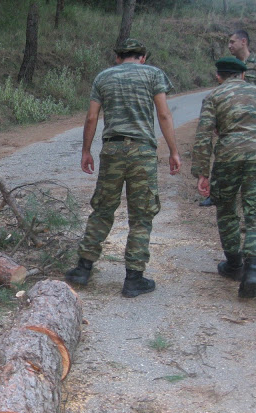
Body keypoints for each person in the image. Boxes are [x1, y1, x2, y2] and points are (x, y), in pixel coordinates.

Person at [65, 39, 181, 297]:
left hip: (112, 150)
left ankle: (83, 268)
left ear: (118, 58)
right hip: (142, 152)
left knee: (103, 208)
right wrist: (173, 151)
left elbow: (92, 117)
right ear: (143, 57)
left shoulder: (103, 77)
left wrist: (86, 151)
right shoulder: (153, 74)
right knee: (141, 215)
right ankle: (134, 278)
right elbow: (163, 115)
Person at [191, 57, 256, 298]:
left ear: (219, 76)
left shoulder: (213, 96)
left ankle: (234, 264)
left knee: (226, 210)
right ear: (243, 75)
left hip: (227, 158)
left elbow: (204, 135)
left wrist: (202, 172)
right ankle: (252, 271)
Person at [200, 29, 256, 208]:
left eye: (232, 42)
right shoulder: (229, 64)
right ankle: (218, 192)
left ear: (243, 41)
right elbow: (221, 92)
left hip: (253, 119)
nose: (229, 45)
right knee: (224, 150)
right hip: (230, 119)